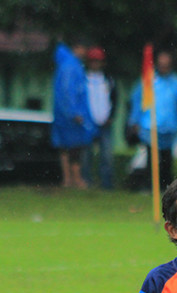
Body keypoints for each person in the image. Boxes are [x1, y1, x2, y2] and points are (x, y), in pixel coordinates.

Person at [127, 51, 177, 191]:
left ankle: (167, 187)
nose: (164, 68)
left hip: (169, 127)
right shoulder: (148, 80)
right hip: (149, 127)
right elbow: (138, 100)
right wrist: (134, 121)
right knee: (151, 159)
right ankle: (150, 186)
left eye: (166, 65)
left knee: (167, 160)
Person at [51, 39, 96, 189]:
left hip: (62, 115)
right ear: (76, 47)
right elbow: (67, 91)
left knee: (65, 147)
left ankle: (68, 179)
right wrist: (74, 112)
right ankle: (75, 179)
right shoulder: (71, 66)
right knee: (75, 146)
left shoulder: (66, 64)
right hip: (70, 117)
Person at [82, 46, 117, 189]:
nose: (95, 64)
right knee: (86, 156)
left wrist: (111, 116)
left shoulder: (108, 80)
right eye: (93, 61)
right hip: (88, 123)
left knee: (106, 156)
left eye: (98, 61)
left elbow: (115, 99)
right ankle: (86, 183)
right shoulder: (84, 79)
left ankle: (106, 185)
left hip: (105, 122)